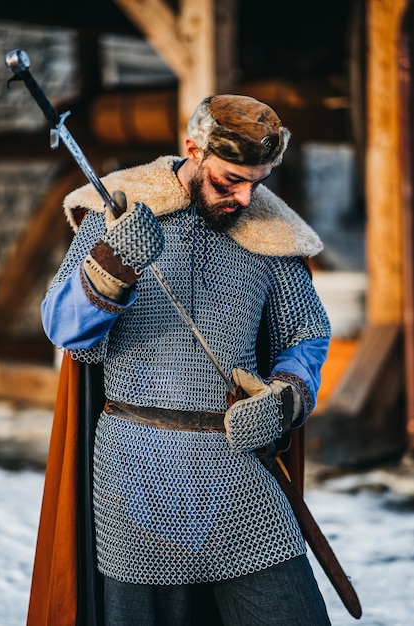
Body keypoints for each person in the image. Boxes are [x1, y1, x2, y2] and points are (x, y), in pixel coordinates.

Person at [39, 94, 331, 625]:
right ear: (193, 150)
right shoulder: (117, 212)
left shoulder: (270, 231)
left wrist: (287, 392)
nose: (245, 198)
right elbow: (63, 330)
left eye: (256, 183)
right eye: (229, 181)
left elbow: (308, 331)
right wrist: (111, 264)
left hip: (239, 477)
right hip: (136, 477)